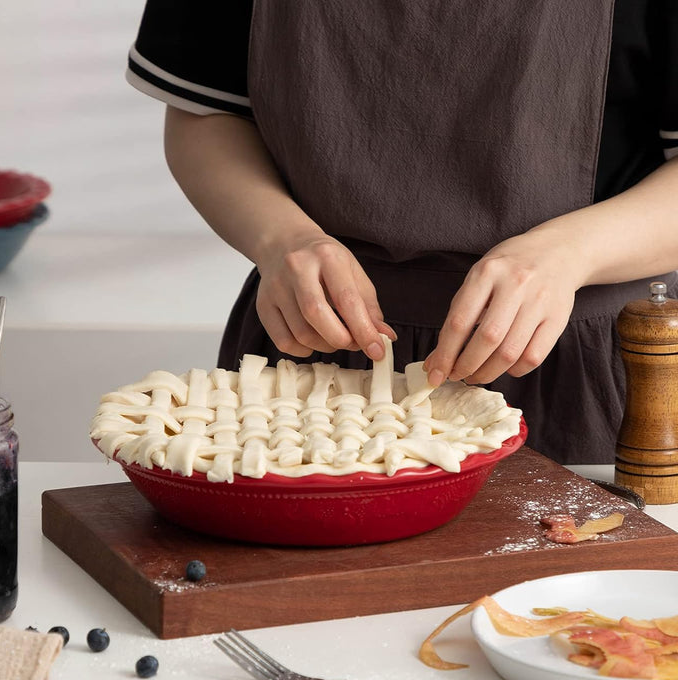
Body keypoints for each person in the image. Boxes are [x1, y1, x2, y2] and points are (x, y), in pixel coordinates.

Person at [126, 0, 678, 464]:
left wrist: (568, 255)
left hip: (600, 367)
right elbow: (206, 113)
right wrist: (280, 238)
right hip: (308, 363)